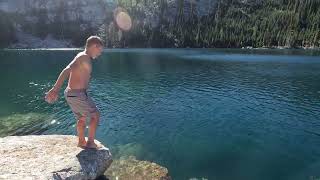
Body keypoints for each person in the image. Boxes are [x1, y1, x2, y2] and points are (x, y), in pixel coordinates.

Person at [45, 36, 103, 149]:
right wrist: (55, 89)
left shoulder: (80, 56)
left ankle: (81, 141)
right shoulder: (84, 57)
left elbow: (71, 70)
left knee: (81, 117)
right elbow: (67, 70)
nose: (100, 53)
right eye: (100, 49)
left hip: (72, 93)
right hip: (77, 94)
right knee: (95, 115)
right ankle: (90, 142)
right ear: (94, 46)